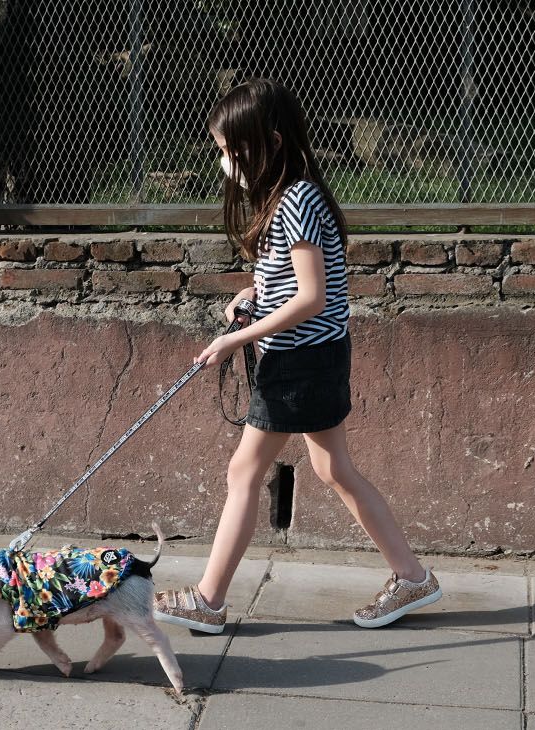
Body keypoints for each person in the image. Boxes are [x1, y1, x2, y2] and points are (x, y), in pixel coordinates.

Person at [152, 79, 442, 633]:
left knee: (245, 469)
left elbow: (314, 297)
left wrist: (237, 338)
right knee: (333, 467)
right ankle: (412, 578)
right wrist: (253, 294)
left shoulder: (299, 198)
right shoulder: (289, 196)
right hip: (311, 355)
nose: (225, 163)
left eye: (230, 151)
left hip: (301, 361)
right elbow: (293, 282)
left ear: (270, 142)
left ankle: (208, 601)